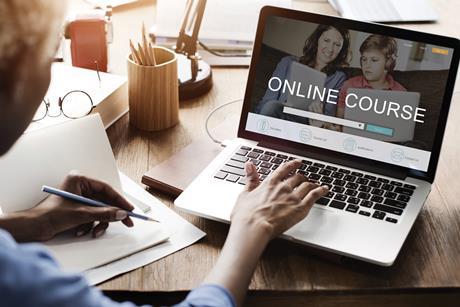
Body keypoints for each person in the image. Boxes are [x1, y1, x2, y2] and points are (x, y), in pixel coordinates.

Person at [0, 1, 328, 306]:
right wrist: (252, 225)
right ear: (14, 80)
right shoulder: (17, 277)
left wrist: (29, 223)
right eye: (50, 56)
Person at [256, 25, 350, 128]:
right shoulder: (287, 62)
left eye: (337, 45)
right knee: (271, 106)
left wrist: (321, 121)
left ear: (342, 49)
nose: (330, 49)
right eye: (326, 40)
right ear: (317, 40)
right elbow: (267, 100)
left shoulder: (339, 78)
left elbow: (329, 115)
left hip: (306, 125)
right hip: (277, 116)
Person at [336, 34, 406, 125]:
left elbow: (400, 128)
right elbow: (339, 122)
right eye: (364, 59)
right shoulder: (349, 85)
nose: (367, 65)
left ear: (388, 63)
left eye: (374, 60)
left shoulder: (401, 93)